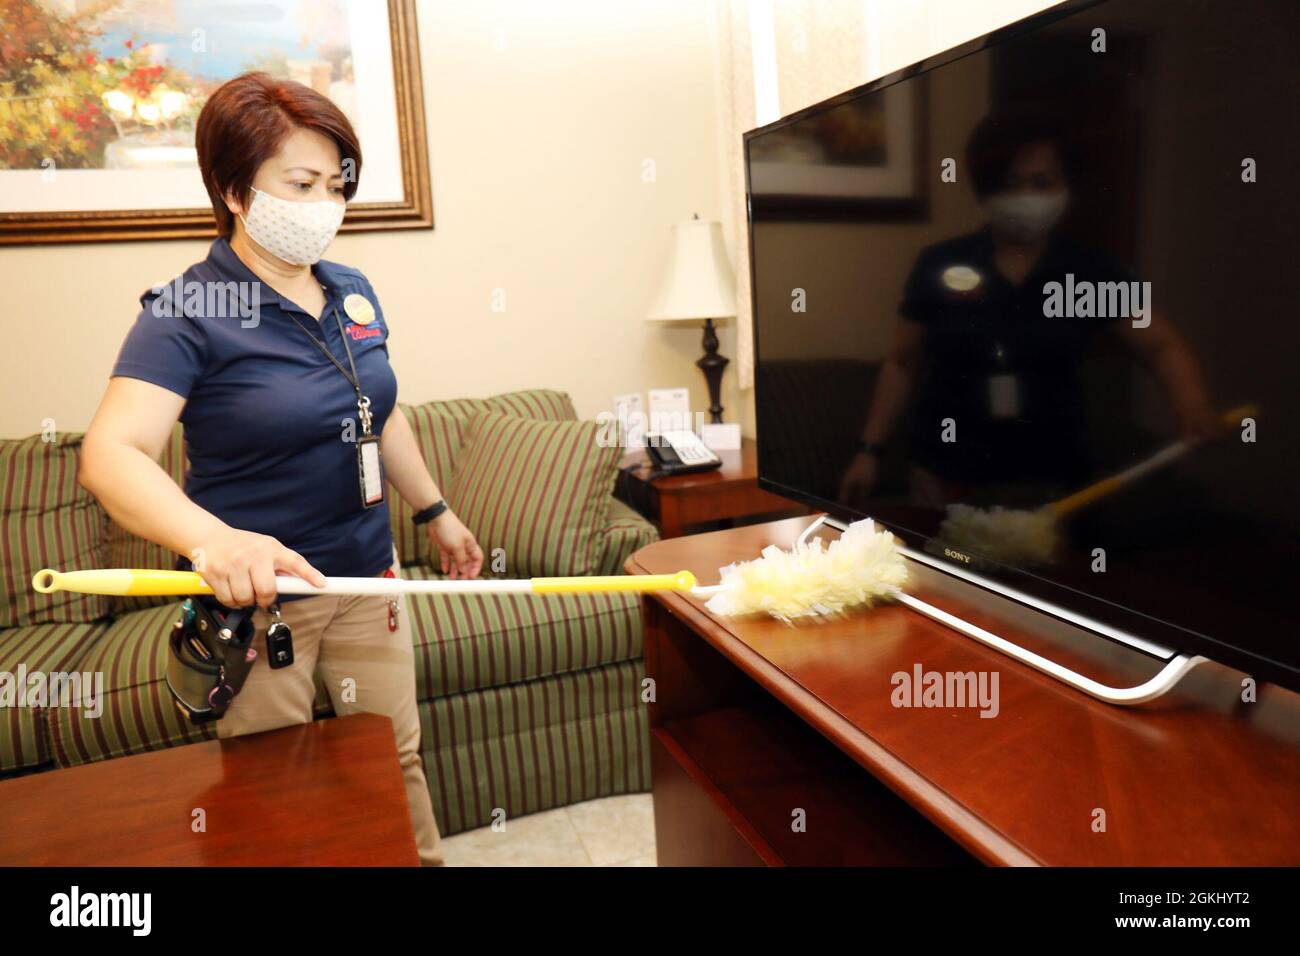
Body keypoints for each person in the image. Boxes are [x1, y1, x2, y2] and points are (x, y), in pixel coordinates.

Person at [78, 72, 483, 866]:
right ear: (234, 190)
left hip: (367, 581)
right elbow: (110, 454)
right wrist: (215, 543)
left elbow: (380, 410)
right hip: (265, 606)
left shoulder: (351, 291)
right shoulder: (186, 310)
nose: (324, 205)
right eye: (300, 184)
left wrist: (436, 512)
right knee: (275, 789)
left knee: (394, 762)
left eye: (336, 185)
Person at [839, 112, 1215, 510]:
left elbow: (1160, 345)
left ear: (1066, 186)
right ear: (986, 189)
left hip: (1054, 488)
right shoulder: (940, 263)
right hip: (945, 478)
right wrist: (869, 452)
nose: (1026, 197)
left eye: (1042, 183)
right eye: (1010, 184)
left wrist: (1191, 402)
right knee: (943, 572)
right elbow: (901, 363)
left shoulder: (1090, 272)